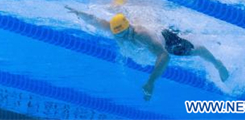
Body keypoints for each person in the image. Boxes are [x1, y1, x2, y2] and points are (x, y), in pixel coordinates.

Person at [66, 6, 229, 101]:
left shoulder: (141, 35)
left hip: (165, 38)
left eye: (124, 34)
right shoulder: (116, 30)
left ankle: (218, 63)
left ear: (129, 27)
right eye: (118, 35)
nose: (123, 38)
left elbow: (164, 56)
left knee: (194, 50)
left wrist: (151, 82)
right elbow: (95, 20)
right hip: (155, 36)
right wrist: (77, 12)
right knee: (186, 37)